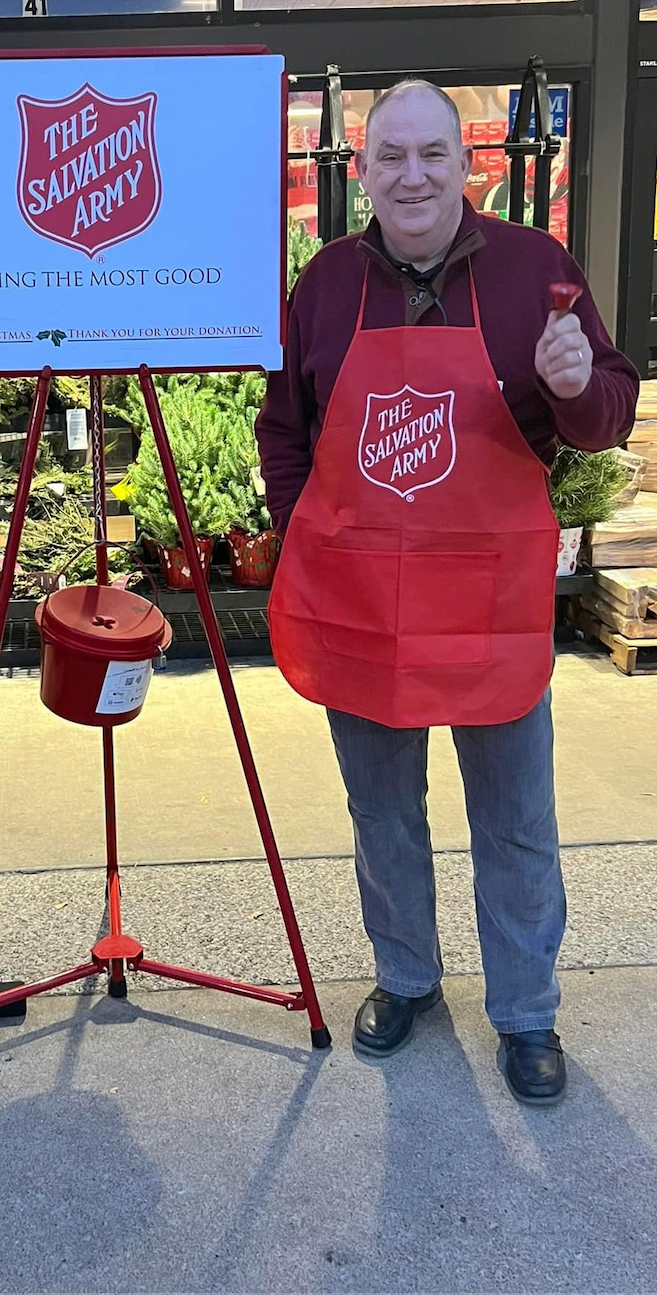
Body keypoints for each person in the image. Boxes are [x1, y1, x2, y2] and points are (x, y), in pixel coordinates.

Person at [258, 79, 639, 1107]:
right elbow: (282, 426)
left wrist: (571, 385)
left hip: (488, 600)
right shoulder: (325, 285)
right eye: (391, 156)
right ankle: (407, 978)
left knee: (514, 817)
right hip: (361, 603)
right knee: (381, 809)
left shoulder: (535, 272)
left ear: (463, 166)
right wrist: (305, 533)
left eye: (432, 153)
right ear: (363, 169)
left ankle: (525, 1010)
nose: (412, 174)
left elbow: (604, 414)